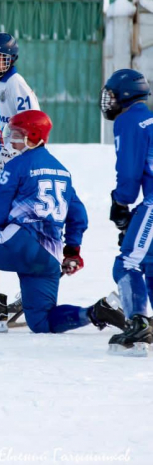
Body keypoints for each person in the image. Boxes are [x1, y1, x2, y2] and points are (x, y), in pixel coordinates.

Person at [0, 109, 125, 334]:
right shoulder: (63, 171)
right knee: (41, 323)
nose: (11, 141)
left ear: (34, 137)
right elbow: (79, 215)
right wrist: (72, 250)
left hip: (20, 242)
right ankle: (95, 312)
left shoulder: (16, 165)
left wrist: (1, 181)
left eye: (17, 135)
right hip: (50, 254)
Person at [101, 68, 153, 355]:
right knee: (151, 263)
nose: (108, 100)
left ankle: (138, 325)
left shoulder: (130, 121)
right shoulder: (150, 118)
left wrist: (120, 202)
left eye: (111, 94)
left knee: (127, 264)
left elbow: (130, 174)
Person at [0, 32, 40, 177]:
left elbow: (34, 124)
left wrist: (12, 152)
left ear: (10, 59)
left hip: (22, 161)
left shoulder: (15, 83)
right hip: (8, 160)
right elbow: (4, 124)